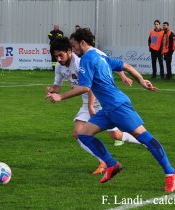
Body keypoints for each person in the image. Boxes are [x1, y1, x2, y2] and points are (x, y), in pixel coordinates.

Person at [46, 29, 175, 193]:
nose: (73, 49)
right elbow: (127, 66)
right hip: (107, 109)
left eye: (73, 45)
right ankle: (111, 164)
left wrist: (61, 96)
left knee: (145, 137)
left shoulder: (87, 58)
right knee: (83, 134)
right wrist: (141, 81)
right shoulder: (100, 55)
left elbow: (85, 87)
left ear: (82, 43)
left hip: (118, 106)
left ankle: (170, 172)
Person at [47, 37, 141, 174]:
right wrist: (52, 90)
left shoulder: (81, 61)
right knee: (78, 133)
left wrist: (91, 106)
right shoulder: (59, 66)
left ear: (69, 51)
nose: (59, 59)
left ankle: (143, 141)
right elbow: (57, 86)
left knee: (116, 135)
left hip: (101, 100)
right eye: (56, 56)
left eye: (60, 55)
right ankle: (103, 161)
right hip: (87, 102)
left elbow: (90, 86)